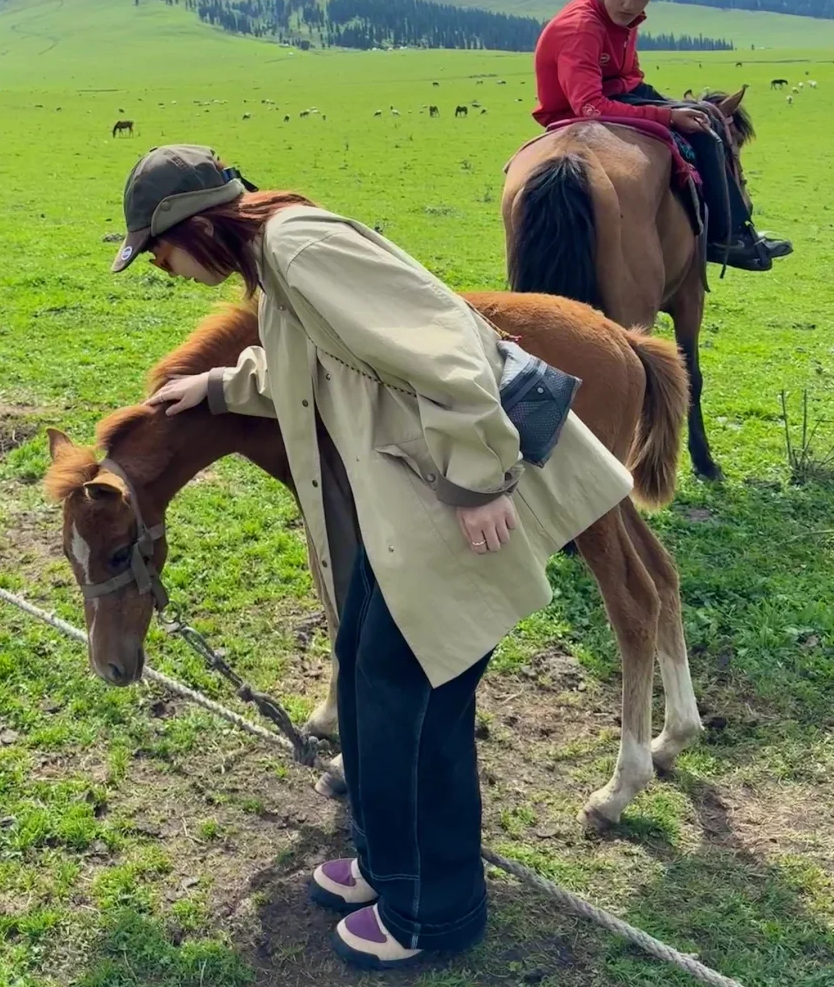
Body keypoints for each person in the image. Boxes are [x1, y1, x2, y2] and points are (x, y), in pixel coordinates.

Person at [112, 144, 633, 969]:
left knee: (413, 704)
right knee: (367, 671)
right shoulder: (276, 259)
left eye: (158, 254)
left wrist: (481, 477)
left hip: (442, 501)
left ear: (191, 228)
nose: (164, 272)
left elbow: (447, 351)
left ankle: (433, 913)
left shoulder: (301, 249)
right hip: (406, 504)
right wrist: (218, 389)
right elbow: (317, 359)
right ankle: (390, 865)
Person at [532, 0, 792, 271]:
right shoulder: (582, 27)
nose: (630, 4)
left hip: (618, 91)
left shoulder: (623, 16)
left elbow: (629, 74)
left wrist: (668, 108)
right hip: (580, 107)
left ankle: (731, 227)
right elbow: (589, 106)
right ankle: (728, 236)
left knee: (706, 115)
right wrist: (667, 115)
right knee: (704, 131)